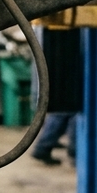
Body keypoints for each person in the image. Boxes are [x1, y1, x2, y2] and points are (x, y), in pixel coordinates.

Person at [31, 28, 81, 165]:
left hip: (57, 71)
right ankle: (74, 152)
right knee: (69, 111)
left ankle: (46, 146)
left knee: (65, 111)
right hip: (66, 72)